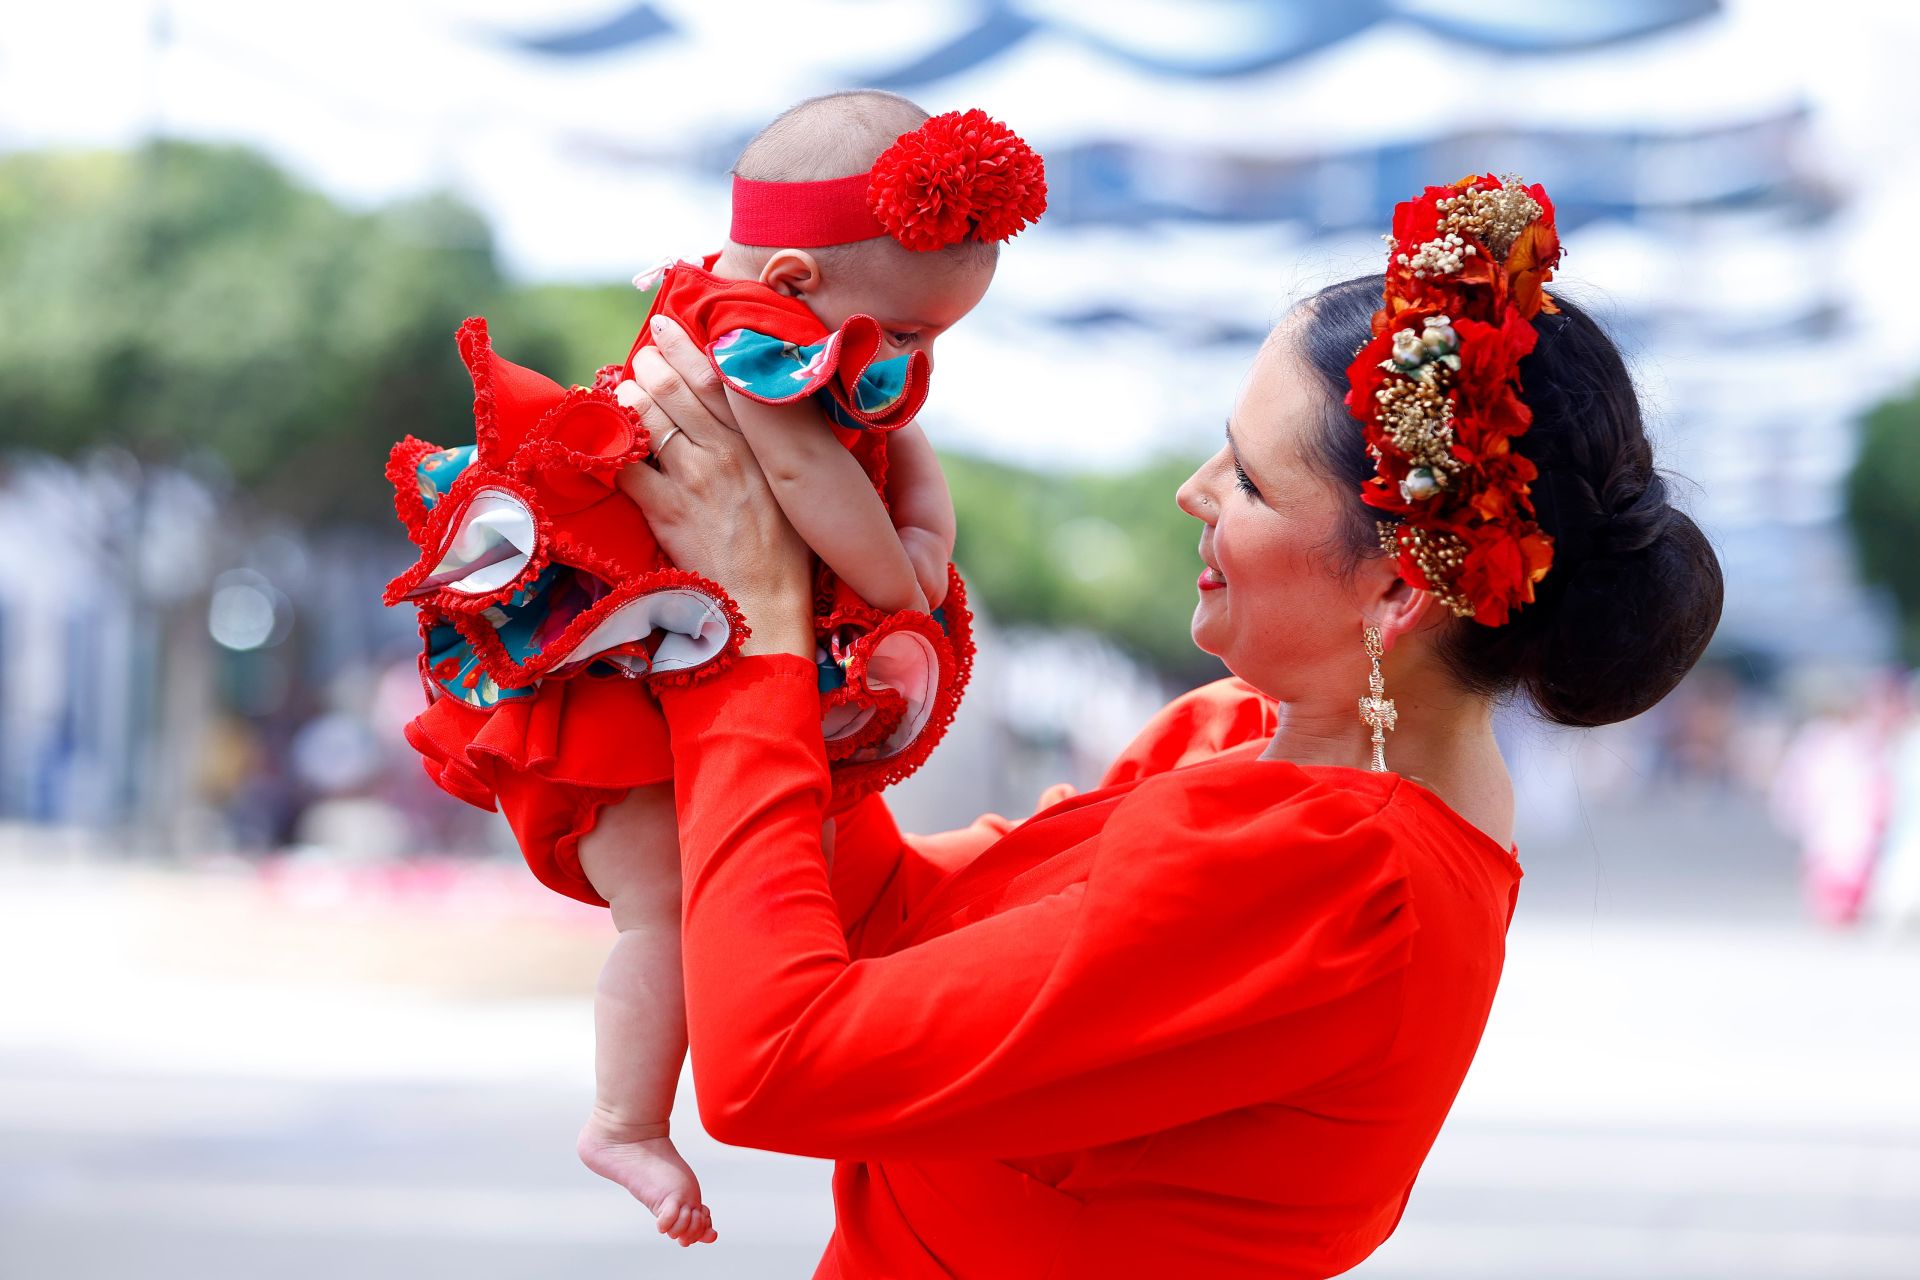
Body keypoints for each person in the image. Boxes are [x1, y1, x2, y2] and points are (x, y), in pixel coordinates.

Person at [601, 174, 1725, 1276]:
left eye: (1247, 478)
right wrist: (792, 558)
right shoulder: (1242, 734)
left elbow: (778, 1064)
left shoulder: (1339, 872)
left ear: (1395, 594)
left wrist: (748, 636)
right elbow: (892, 927)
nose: (1194, 489)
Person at [380, 91, 1046, 1245]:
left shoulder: (818, 330)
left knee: (742, 879)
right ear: (791, 284)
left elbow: (900, 447)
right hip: (607, 690)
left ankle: (644, 1105)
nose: (915, 365)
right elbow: (812, 486)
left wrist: (928, 537)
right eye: (909, 334)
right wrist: (902, 576)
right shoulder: (743, 346)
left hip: (672, 657)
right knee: (669, 913)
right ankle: (624, 1118)